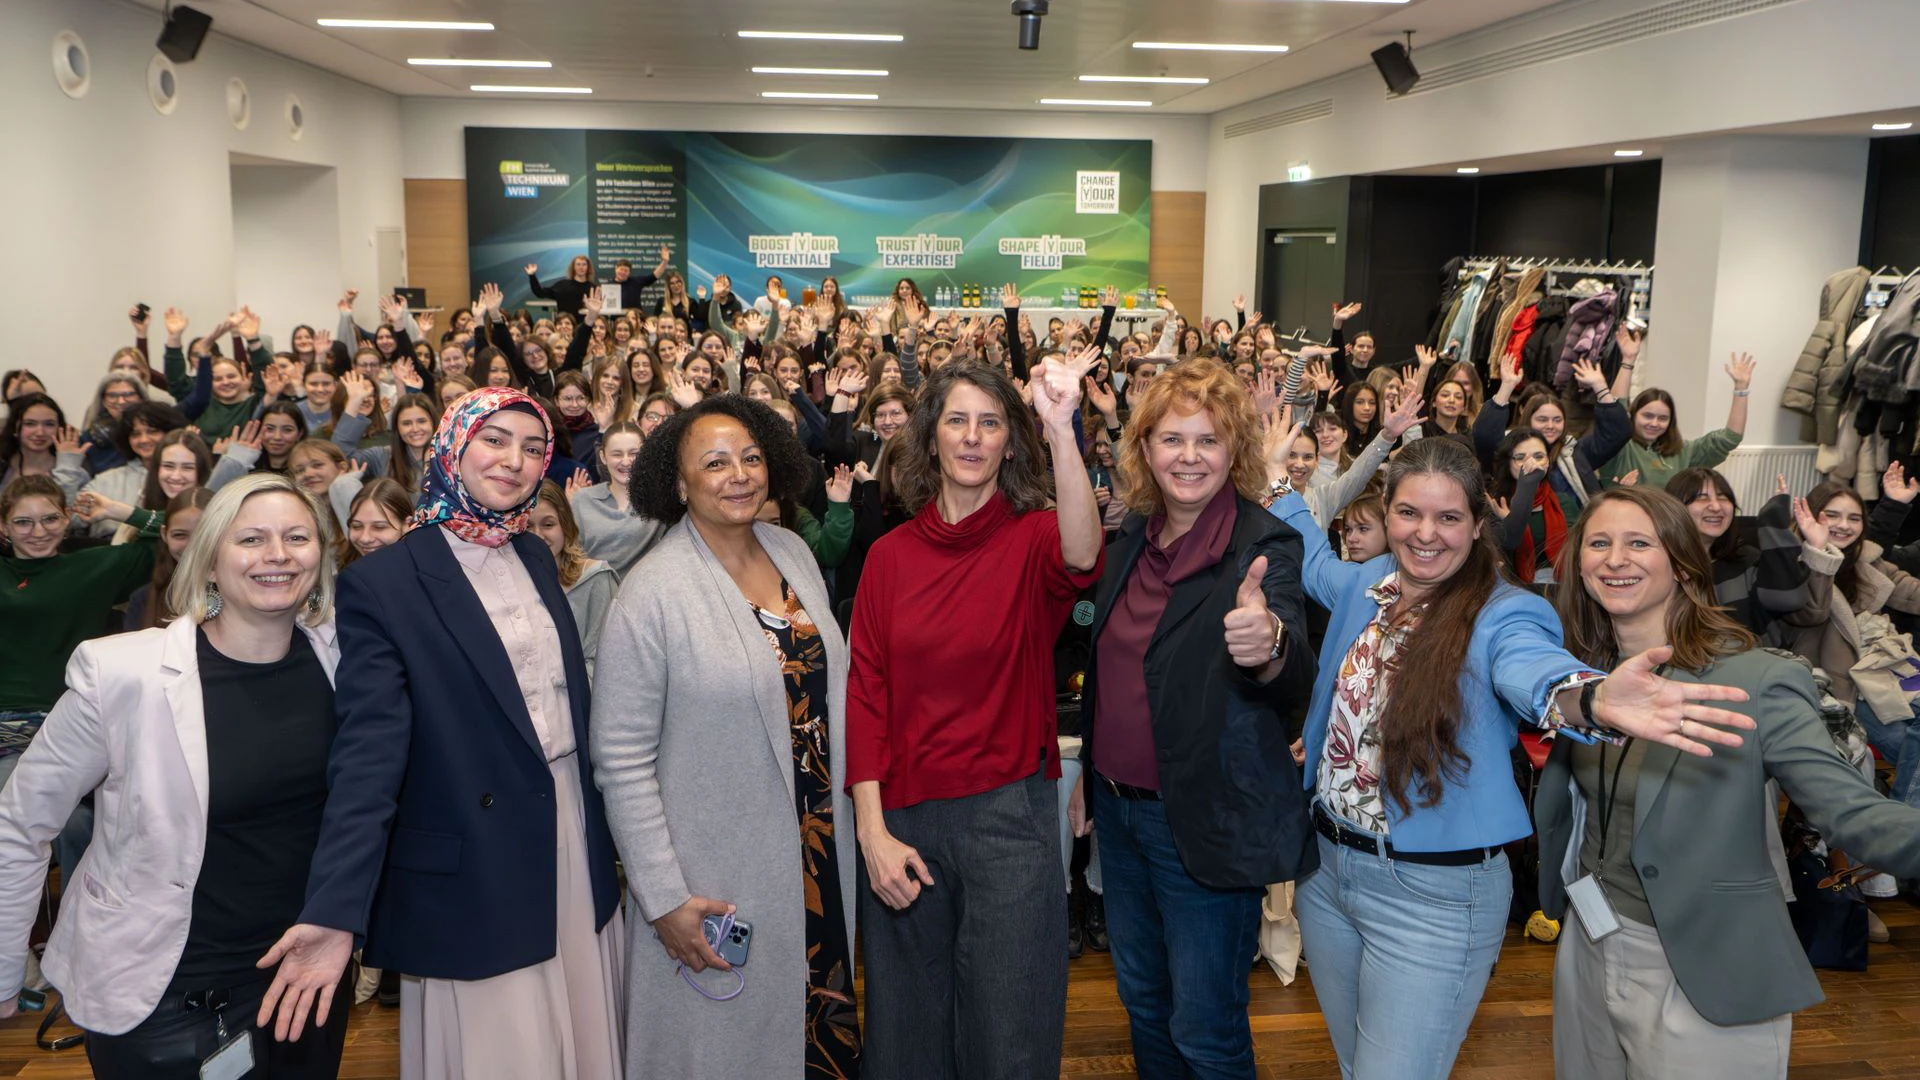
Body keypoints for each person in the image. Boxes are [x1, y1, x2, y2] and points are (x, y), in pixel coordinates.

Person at [1266, 436, 1755, 1080]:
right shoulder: (1366, 582)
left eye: (1449, 518)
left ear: (1476, 525)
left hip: (1433, 894)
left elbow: (1534, 670)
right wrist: (1280, 484)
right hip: (1327, 874)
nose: (1427, 534)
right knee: (1359, 1066)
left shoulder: (1506, 613)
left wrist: (1593, 698)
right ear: (1387, 516)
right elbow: (1313, 563)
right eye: (1410, 513)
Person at [256, 386, 626, 1079]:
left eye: (533, 446)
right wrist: (337, 910)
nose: (516, 461)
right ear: (453, 447)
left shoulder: (536, 557)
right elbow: (368, 755)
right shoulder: (385, 582)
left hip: (570, 830)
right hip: (478, 858)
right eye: (495, 439)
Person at [1541, 486, 1920, 1080]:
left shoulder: (1757, 679)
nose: (1615, 559)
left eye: (1640, 542)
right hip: (1588, 946)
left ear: (1685, 565)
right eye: (1599, 543)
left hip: (1705, 964)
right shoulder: (1582, 677)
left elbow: (1851, 813)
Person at [0, 473, 350, 1078]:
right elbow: (21, 823)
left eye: (297, 536)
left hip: (307, 976)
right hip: (162, 987)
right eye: (252, 539)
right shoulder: (120, 672)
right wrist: (4, 968)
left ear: (320, 557)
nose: (277, 555)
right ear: (210, 562)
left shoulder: (344, 662)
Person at [848, 352, 1105, 1077]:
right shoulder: (889, 558)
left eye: (990, 423)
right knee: (905, 1040)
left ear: (1009, 443)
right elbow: (866, 694)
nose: (971, 436)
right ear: (930, 438)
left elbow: (1084, 557)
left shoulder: (1031, 538)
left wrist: (1061, 428)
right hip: (904, 824)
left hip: (1010, 821)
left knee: (1009, 1035)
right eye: (957, 420)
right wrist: (871, 833)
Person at [592, 395, 860, 1077]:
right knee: (722, 1051)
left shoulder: (792, 551)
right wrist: (663, 896)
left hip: (820, 850)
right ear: (678, 486)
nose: (738, 474)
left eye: (750, 457)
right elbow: (621, 762)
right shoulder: (651, 592)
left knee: (817, 1039)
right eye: (714, 463)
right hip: (713, 879)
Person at [1067, 360, 1313, 1078]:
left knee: (1205, 1027)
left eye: (1207, 441)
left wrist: (1267, 645)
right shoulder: (1130, 542)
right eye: (1172, 440)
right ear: (1144, 449)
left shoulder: (1263, 547)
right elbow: (1111, 676)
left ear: (1234, 451)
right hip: (1119, 814)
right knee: (1143, 1002)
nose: (1189, 457)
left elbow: (1290, 667)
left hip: (1203, 822)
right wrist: (1090, 771)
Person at [1665, 468, 1813, 641]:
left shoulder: (1745, 559)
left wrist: (1773, 523)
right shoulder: (1661, 564)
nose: (1716, 507)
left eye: (1722, 497)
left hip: (1752, 662)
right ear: (1674, 507)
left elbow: (1788, 599)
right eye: (1701, 498)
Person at [1600, 353, 1754, 489]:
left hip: (1670, 520)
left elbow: (1730, 438)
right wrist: (1628, 361)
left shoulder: (1684, 452)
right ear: (1633, 416)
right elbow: (1614, 411)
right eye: (1647, 416)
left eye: (1662, 418)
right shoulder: (1620, 447)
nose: (1654, 423)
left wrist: (1741, 389)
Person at [528, 480, 617, 675]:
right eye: (528, 526)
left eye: (548, 524)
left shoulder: (596, 579)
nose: (537, 535)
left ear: (565, 525)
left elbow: (609, 661)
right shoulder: (515, 583)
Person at [567, 421, 664, 579]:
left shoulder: (658, 500)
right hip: (592, 594)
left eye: (634, 453)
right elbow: (569, 557)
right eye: (617, 454)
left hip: (642, 594)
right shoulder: (581, 500)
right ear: (603, 457)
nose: (626, 461)